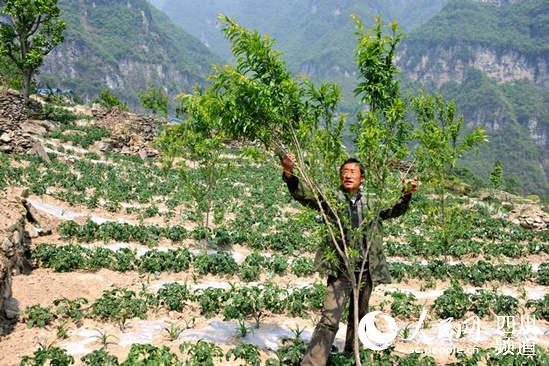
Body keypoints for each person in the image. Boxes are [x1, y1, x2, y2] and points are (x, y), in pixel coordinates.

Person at [280, 153, 418, 366]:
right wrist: (289, 173)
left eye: (353, 172)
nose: (348, 175)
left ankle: (353, 357)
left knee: (360, 319)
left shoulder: (373, 201)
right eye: (344, 172)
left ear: (362, 178)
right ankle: (312, 363)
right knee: (329, 320)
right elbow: (304, 196)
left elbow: (394, 209)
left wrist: (406, 194)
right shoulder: (331, 200)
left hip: (365, 269)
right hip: (340, 269)